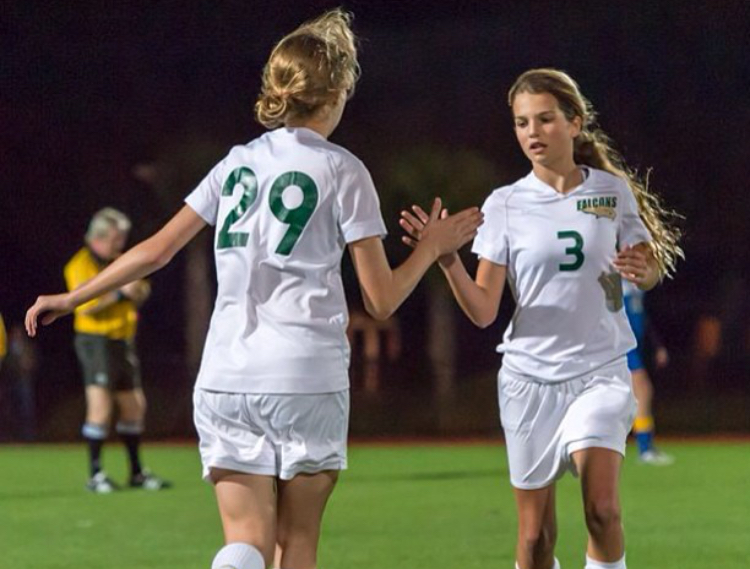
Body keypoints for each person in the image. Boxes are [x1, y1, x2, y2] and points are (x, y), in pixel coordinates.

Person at [26, 9, 482, 569]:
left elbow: (155, 250)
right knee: (297, 546)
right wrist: (432, 249)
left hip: (225, 378)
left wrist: (73, 297)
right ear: (337, 92)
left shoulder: (237, 164)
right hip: (305, 378)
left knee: (245, 544)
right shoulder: (343, 170)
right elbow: (381, 299)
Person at [401, 68, 682, 569]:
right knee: (534, 542)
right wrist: (446, 259)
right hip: (529, 381)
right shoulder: (505, 204)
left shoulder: (610, 193)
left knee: (602, 510)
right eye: (521, 122)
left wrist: (648, 268)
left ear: (574, 123)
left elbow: (648, 264)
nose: (532, 132)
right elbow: (485, 310)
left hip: (599, 371)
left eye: (545, 119)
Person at [63, 207, 169, 493]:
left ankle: (136, 472)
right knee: (100, 405)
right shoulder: (79, 265)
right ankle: (95, 475)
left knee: (134, 405)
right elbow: (86, 307)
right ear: (97, 238)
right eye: (115, 237)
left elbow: (142, 289)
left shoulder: (120, 260)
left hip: (123, 341)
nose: (120, 243)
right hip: (95, 340)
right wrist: (121, 292)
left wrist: (137, 291)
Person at [622, 280, 673, 465]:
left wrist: (657, 345)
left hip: (633, 347)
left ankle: (645, 447)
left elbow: (643, 320)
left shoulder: (635, 288)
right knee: (642, 391)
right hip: (622, 347)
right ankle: (645, 449)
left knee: (640, 393)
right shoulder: (616, 286)